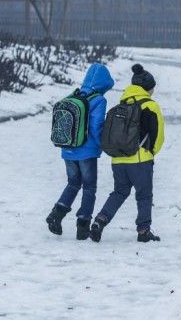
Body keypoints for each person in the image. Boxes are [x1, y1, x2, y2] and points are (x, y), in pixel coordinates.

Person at [90, 64, 165, 243]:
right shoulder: (150, 106)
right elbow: (158, 136)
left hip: (118, 161)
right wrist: (151, 153)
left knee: (119, 192)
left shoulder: (121, 106)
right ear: (148, 88)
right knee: (144, 195)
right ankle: (143, 230)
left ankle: (100, 220)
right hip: (140, 160)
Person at [46, 63, 114, 239]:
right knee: (89, 187)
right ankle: (83, 225)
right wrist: (103, 146)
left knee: (73, 183)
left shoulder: (73, 94)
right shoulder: (98, 100)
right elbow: (96, 126)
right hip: (87, 152)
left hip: (67, 149)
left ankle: (56, 214)